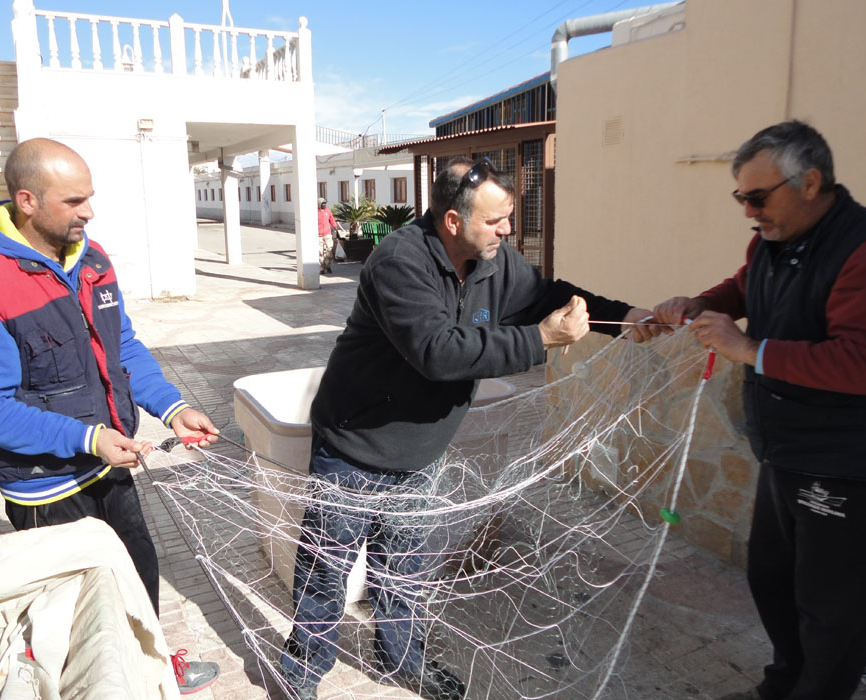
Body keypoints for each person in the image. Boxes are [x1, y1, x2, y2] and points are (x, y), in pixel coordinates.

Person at [279, 157, 657, 700]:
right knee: (325, 572)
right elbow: (436, 352)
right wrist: (538, 341)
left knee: (403, 570)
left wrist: (625, 318)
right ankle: (301, 677)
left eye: (509, 217)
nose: (507, 230)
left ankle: (400, 662)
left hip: (420, 452)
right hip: (354, 447)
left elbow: (548, 295)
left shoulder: (494, 262)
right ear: (452, 222)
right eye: (495, 220)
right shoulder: (398, 262)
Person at [0, 138, 223, 695]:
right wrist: (88, 437)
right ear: (27, 201)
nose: (88, 212)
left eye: (89, 198)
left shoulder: (92, 259)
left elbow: (122, 348)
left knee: (137, 577)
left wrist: (173, 407)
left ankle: (154, 666)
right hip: (47, 489)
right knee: (78, 617)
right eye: (73, 201)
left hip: (109, 467)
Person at [651, 121, 866, 700]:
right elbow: (747, 288)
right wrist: (700, 304)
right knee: (772, 580)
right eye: (741, 197)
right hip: (785, 451)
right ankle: (784, 685)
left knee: (832, 611)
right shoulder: (773, 240)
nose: (749, 211)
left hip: (847, 463)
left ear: (810, 182)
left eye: (758, 196)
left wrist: (747, 349)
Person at [317, 197, 341, 274]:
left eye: (325, 203)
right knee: (320, 252)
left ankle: (328, 265)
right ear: (319, 204)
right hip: (319, 235)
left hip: (327, 234)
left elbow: (332, 219)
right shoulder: (315, 212)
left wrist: (335, 227)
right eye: (323, 203)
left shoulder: (328, 211)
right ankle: (321, 268)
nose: (324, 205)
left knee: (329, 250)